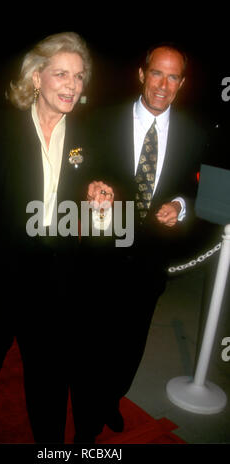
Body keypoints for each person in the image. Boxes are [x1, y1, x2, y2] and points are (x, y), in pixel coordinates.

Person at [0, 31, 113, 444]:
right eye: (62, 74)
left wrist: (101, 200)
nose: (73, 84)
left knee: (49, 378)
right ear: (36, 78)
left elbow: (96, 207)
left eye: (80, 76)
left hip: (56, 281)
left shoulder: (88, 136)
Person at [85, 43, 208, 429]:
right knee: (94, 338)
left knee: (132, 339)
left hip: (151, 260)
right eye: (157, 73)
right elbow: (77, 168)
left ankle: (111, 397)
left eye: (173, 77)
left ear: (182, 83)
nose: (163, 84)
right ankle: (88, 409)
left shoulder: (194, 133)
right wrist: (88, 188)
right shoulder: (101, 120)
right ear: (142, 74)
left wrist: (180, 205)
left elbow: (194, 188)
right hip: (100, 253)